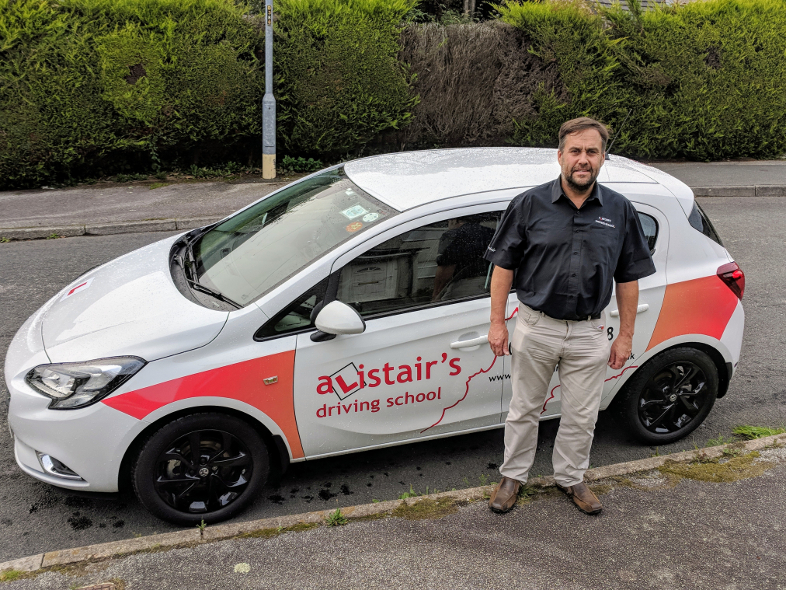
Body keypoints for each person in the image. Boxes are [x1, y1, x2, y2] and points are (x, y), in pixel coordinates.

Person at [483, 117, 656, 515]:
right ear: (560, 156)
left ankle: (572, 477)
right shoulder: (529, 204)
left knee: (582, 414)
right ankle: (513, 476)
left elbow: (629, 278)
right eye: (575, 151)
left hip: (589, 332)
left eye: (591, 152)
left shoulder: (619, 210)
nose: (583, 159)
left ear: (603, 158)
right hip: (536, 327)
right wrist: (496, 323)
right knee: (524, 408)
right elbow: (503, 268)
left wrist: (625, 335)